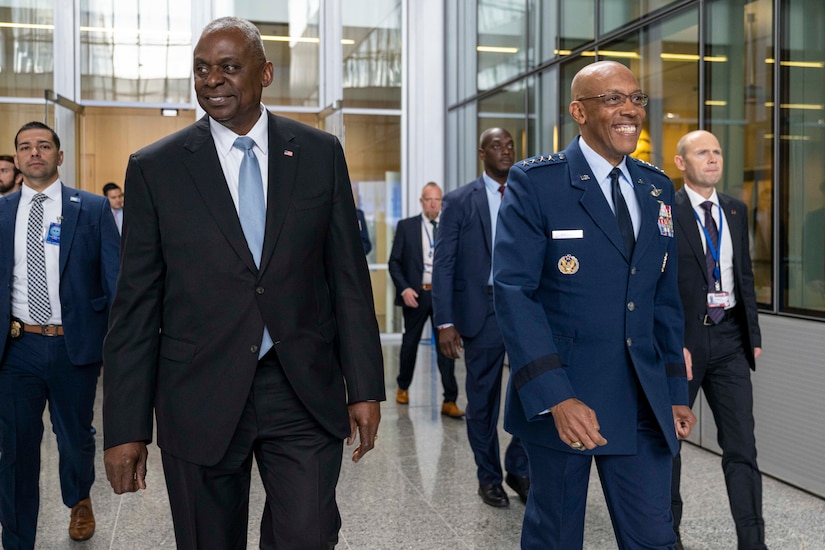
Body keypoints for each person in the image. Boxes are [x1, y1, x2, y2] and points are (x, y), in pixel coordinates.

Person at [101, 16, 385, 550]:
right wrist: (125, 427)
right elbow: (136, 305)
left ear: (265, 73)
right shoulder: (156, 168)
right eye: (202, 70)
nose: (213, 80)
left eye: (229, 67)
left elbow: (347, 281)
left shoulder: (320, 154)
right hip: (198, 392)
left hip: (300, 387)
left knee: (307, 534)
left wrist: (365, 387)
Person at [492, 60, 696, 549]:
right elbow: (515, 293)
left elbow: (663, 299)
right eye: (613, 99)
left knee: (655, 536)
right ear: (578, 112)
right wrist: (556, 397)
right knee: (556, 536)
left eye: (636, 98)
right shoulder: (537, 182)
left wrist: (674, 391)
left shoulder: (655, 186)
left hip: (642, 399)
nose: (629, 110)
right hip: (568, 397)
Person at [0, 121, 120, 548]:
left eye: (44, 146)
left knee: (74, 436)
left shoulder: (90, 208)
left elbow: (114, 278)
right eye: (26, 147)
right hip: (18, 347)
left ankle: (79, 497)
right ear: (16, 159)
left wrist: (116, 345)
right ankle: (16, 540)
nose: (35, 153)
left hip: (74, 345)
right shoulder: (2, 213)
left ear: (59, 155)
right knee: (15, 449)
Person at [671, 129, 765, 550]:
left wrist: (753, 334)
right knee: (668, 445)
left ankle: (752, 542)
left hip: (729, 338)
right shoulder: (666, 210)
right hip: (683, 343)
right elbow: (656, 283)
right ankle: (666, 537)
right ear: (681, 163)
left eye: (717, 152)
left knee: (742, 447)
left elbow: (742, 275)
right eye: (702, 152)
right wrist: (669, 343)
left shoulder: (735, 210)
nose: (713, 159)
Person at [433, 128, 530, 507]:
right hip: (482, 310)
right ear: (481, 153)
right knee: (483, 400)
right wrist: (445, 321)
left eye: (509, 145)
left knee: (531, 393)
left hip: (523, 307)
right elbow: (444, 263)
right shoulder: (459, 201)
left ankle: (518, 468)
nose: (505, 151)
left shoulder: (527, 194)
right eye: (496, 146)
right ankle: (488, 477)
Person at [389, 182, 463, 418]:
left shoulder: (451, 227)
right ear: (421, 201)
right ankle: (403, 387)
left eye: (437, 199)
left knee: (446, 347)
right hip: (416, 295)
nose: (433, 204)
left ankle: (449, 400)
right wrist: (404, 289)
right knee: (409, 344)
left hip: (443, 297)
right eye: (429, 199)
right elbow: (394, 262)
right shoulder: (406, 226)